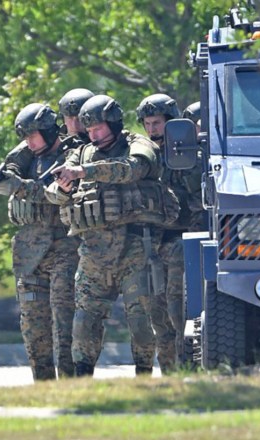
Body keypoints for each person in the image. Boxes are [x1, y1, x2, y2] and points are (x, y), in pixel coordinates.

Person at [45, 94, 179, 377]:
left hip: (136, 249)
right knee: (84, 321)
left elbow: (135, 168)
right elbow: (54, 192)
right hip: (93, 253)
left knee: (141, 320)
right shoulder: (80, 153)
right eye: (89, 130)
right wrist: (65, 187)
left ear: (114, 124)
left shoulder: (137, 145)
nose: (92, 135)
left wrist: (84, 171)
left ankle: (143, 375)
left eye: (98, 129)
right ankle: (83, 378)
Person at [0, 103, 80, 380]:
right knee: (33, 325)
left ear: (48, 130)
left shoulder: (71, 156)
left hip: (64, 248)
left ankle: (70, 385)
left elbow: (57, 193)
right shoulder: (27, 156)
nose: (28, 141)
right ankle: (42, 384)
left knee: (65, 323)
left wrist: (19, 187)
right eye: (25, 136)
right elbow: (6, 172)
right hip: (29, 255)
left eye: (32, 135)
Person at [136, 95, 205, 372]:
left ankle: (188, 372)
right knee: (158, 317)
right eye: (148, 124)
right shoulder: (143, 156)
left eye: (157, 123)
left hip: (182, 242)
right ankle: (169, 375)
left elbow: (198, 197)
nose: (152, 130)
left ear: (172, 123)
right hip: (152, 246)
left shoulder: (191, 156)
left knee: (180, 314)